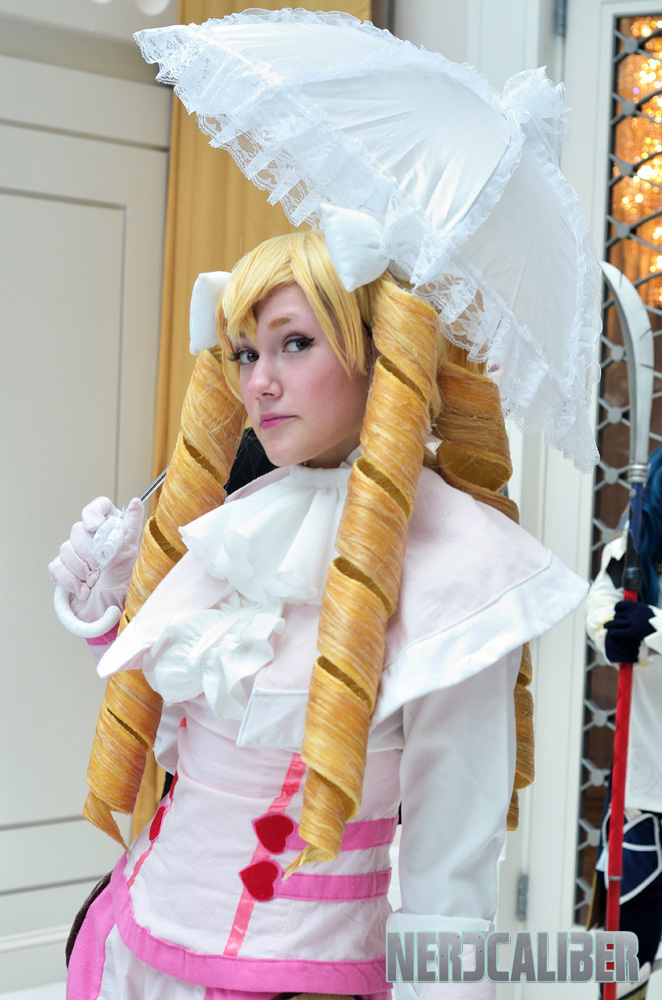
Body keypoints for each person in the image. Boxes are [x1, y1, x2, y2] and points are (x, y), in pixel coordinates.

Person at [51, 230, 588, 1000]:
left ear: (386, 355)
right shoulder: (244, 518)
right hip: (126, 947)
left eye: (294, 344)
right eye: (245, 353)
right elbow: (189, 747)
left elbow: (450, 868)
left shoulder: (460, 573)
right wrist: (115, 610)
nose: (259, 383)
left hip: (302, 979)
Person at [586, 447, 662, 999]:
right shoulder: (637, 549)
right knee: (622, 968)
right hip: (641, 788)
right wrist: (613, 630)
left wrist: (652, 627)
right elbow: (603, 600)